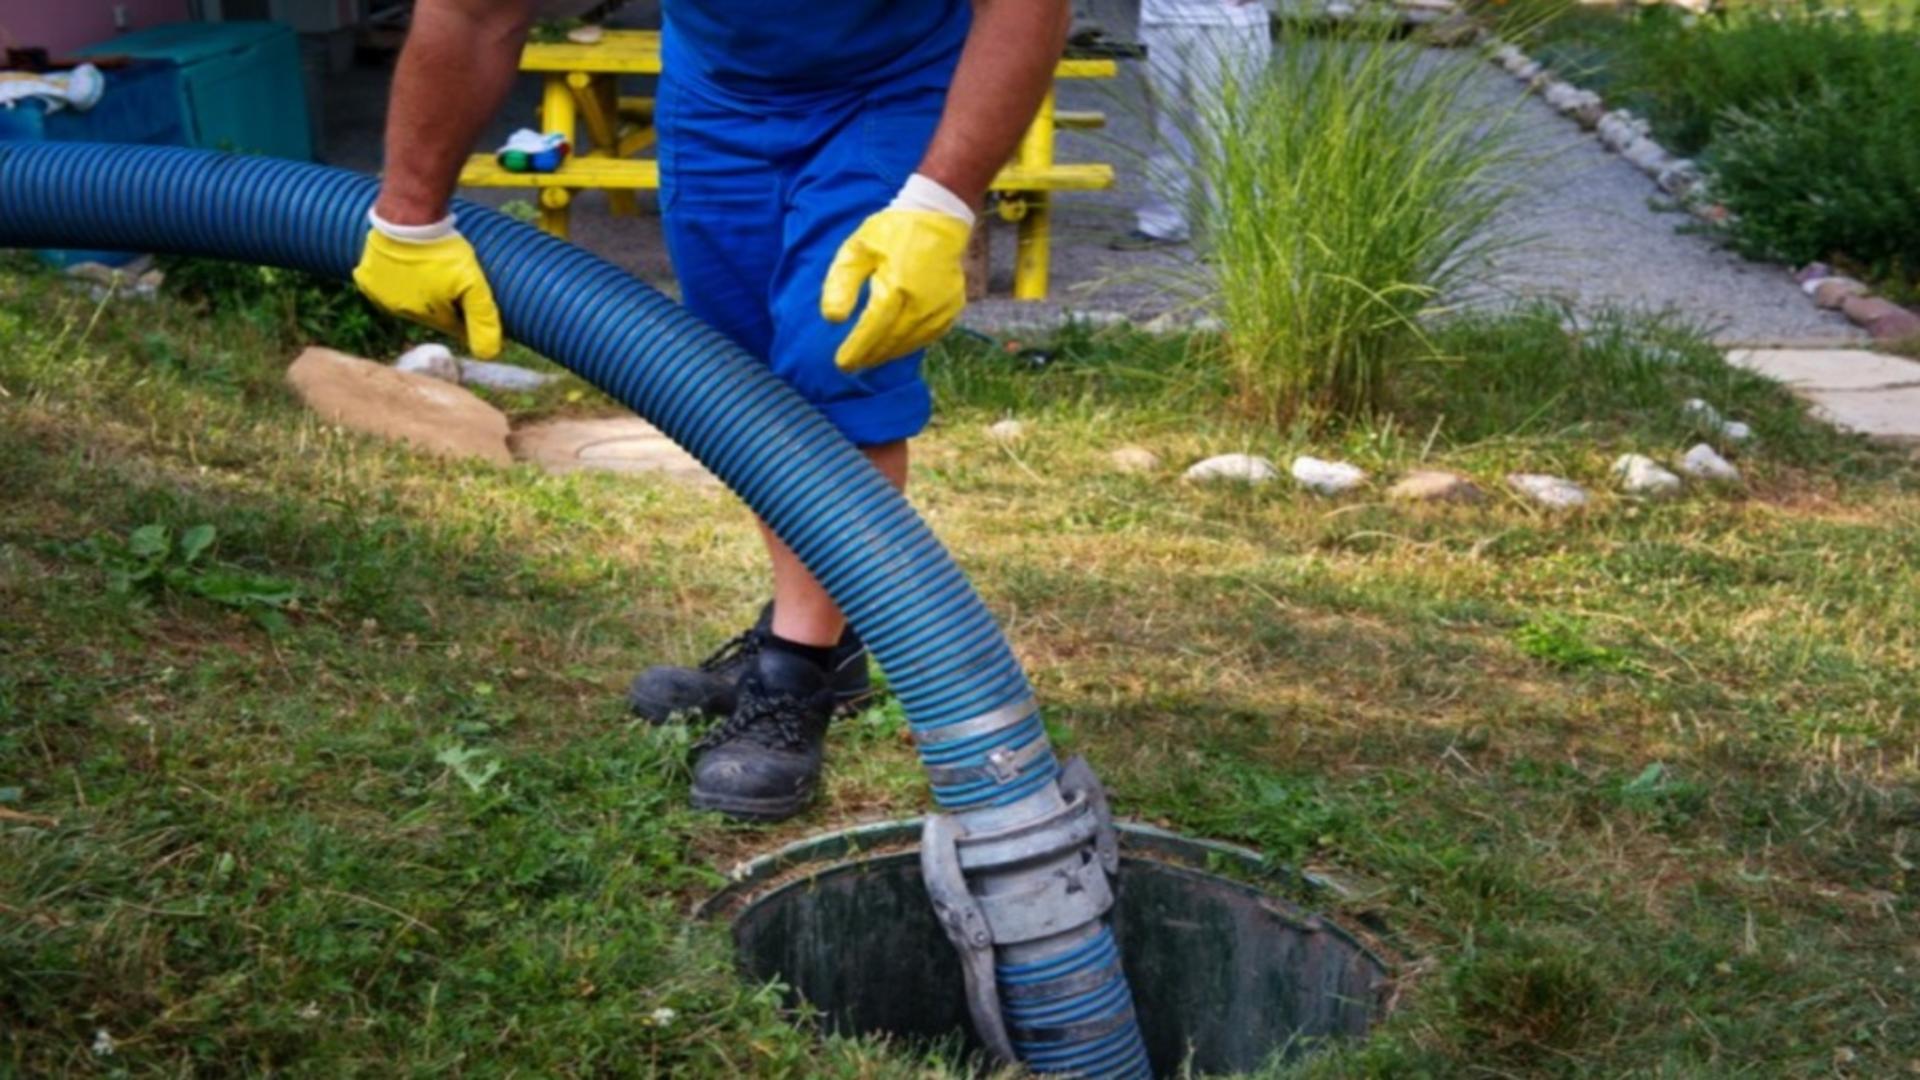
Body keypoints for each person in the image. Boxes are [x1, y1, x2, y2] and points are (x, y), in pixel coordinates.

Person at [352, 0, 1070, 821]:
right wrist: (408, 215)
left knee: (833, 356)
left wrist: (942, 201)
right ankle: (819, 641)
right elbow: (475, 12)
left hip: (895, 80)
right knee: (740, 379)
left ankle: (795, 672)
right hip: (720, 86)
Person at [1111, 0, 1271, 250]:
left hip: (1229, 21)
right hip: (1159, 18)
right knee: (1163, 126)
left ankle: (1235, 230)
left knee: (1229, 129)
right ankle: (1162, 222)